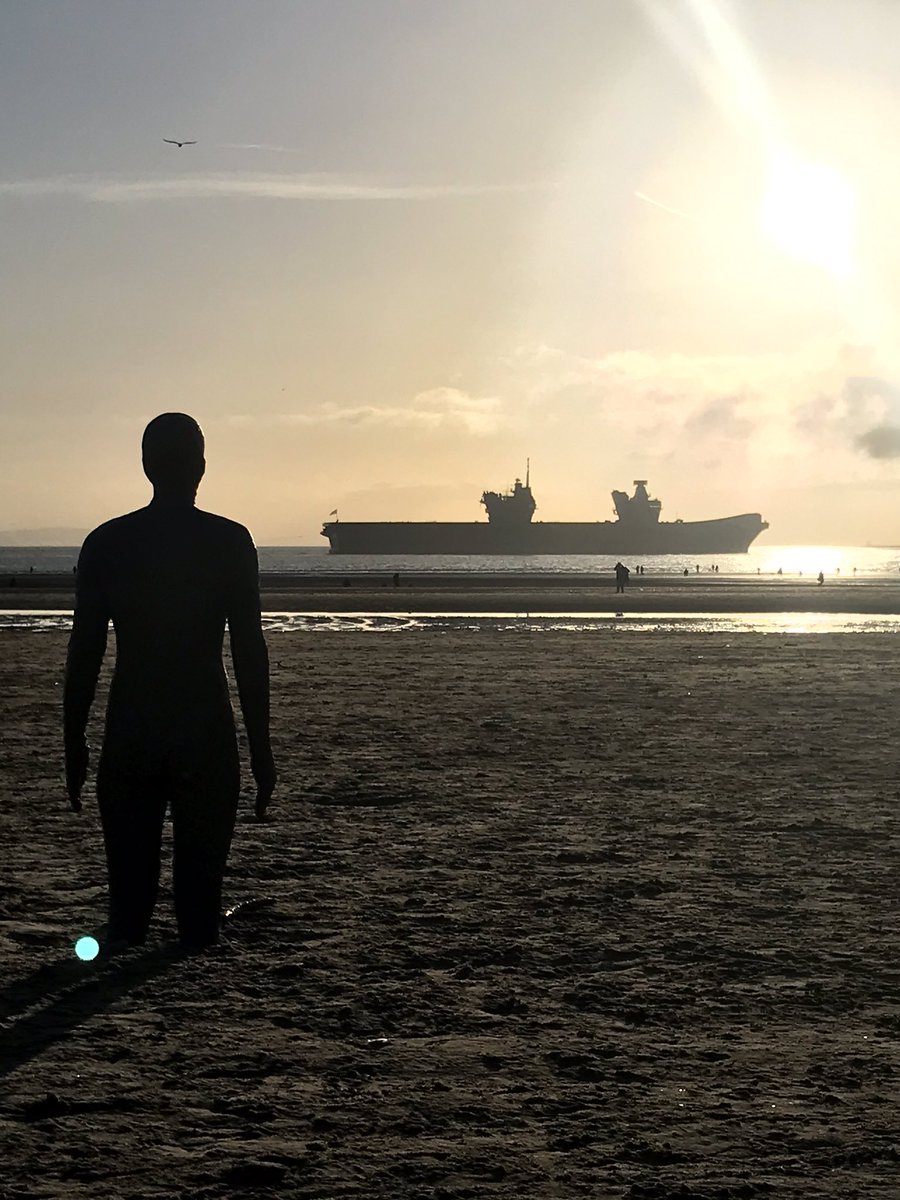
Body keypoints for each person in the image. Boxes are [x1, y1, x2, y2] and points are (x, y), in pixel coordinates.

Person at [64, 413, 276, 954]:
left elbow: (85, 650)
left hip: (132, 725)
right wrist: (261, 748)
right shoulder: (229, 542)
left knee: (128, 907)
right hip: (205, 728)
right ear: (202, 468)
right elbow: (249, 651)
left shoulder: (108, 543)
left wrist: (74, 739)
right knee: (199, 910)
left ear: (145, 467)